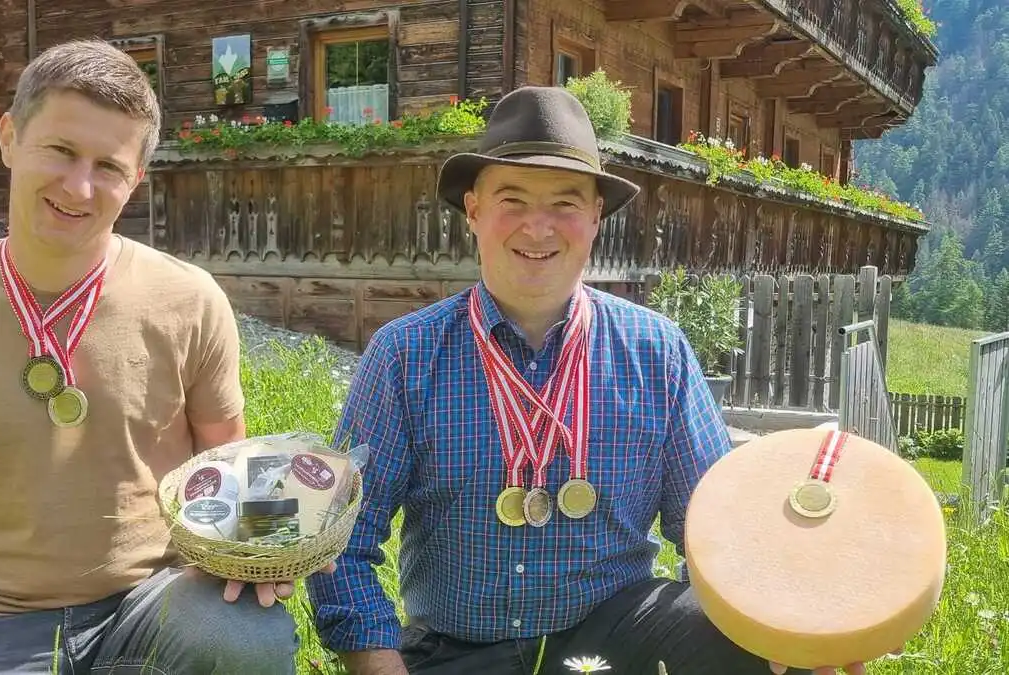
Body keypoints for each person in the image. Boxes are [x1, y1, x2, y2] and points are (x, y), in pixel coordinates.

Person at [305, 86, 895, 675]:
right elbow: (340, 544)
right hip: (461, 648)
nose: (539, 228)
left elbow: (716, 527)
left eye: (565, 203)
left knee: (748, 652)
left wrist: (804, 622)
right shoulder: (405, 354)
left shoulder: (655, 350)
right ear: (474, 210)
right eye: (512, 199)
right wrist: (379, 666)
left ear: (595, 218)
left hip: (624, 629)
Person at [0, 39, 328, 675]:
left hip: (157, 601)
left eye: (109, 166)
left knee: (244, 644)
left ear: (136, 181)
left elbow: (226, 470)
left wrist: (268, 551)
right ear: (10, 137)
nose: (79, 186)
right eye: (61, 151)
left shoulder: (187, 299)